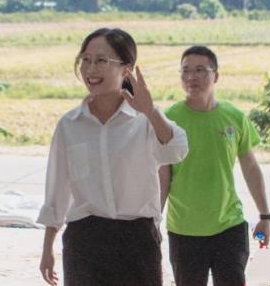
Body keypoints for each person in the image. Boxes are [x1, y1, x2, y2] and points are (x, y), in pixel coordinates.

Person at [38, 28, 189, 286]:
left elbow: (177, 149)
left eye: (101, 60)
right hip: (84, 242)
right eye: (85, 59)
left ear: (126, 68)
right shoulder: (70, 124)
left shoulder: (144, 120)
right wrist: (47, 248)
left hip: (137, 240)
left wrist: (151, 111)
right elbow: (57, 189)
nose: (90, 69)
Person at [158, 45, 270, 286]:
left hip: (229, 226)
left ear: (216, 76)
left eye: (200, 70)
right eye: (185, 70)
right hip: (184, 230)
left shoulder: (234, 116)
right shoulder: (169, 120)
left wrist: (265, 215)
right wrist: (153, 220)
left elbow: (251, 168)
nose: (191, 77)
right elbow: (163, 175)